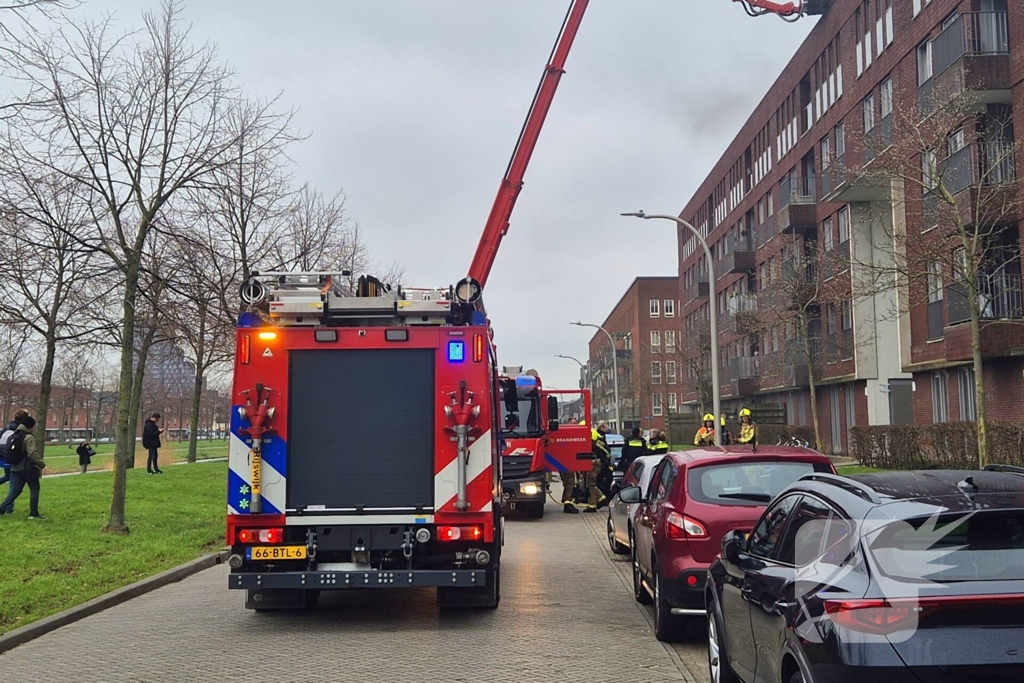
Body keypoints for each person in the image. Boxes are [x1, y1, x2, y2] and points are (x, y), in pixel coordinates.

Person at [0, 415, 46, 519]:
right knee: (34, 489)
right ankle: (33, 513)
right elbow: (32, 453)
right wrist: (42, 465)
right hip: (28, 468)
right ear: (30, 427)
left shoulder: (13, 435)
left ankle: (2, 508)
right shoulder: (28, 437)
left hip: (15, 468)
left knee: (15, 491)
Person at [0, 409, 29, 512]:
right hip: (12, 457)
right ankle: (9, 507)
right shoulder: (20, 430)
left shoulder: (7, 427)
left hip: (3, 456)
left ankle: (8, 506)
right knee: (14, 482)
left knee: (8, 476)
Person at [585, 422, 611, 512]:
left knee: (591, 485)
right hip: (595, 466)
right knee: (591, 485)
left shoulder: (594, 445)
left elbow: (607, 453)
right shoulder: (596, 444)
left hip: (594, 466)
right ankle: (600, 498)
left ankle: (593, 505)